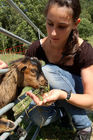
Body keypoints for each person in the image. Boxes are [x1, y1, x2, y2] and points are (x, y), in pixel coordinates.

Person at [25, 0, 93, 139]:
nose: (53, 33)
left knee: (49, 70)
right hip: (54, 98)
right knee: (35, 115)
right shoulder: (36, 48)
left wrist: (63, 95)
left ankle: (84, 127)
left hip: (80, 102)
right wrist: (6, 68)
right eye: (49, 24)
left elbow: (91, 101)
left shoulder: (85, 51)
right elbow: (21, 72)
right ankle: (64, 114)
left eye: (62, 26)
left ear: (75, 24)